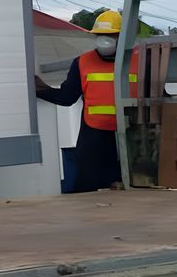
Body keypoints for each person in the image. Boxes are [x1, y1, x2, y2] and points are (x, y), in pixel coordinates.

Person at [37, 10, 139, 193]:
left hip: (131, 137)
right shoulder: (83, 62)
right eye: (100, 35)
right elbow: (67, 97)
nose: (104, 40)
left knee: (134, 188)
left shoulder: (139, 61)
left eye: (110, 36)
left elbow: (157, 97)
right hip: (94, 136)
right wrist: (40, 89)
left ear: (122, 37)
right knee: (86, 189)